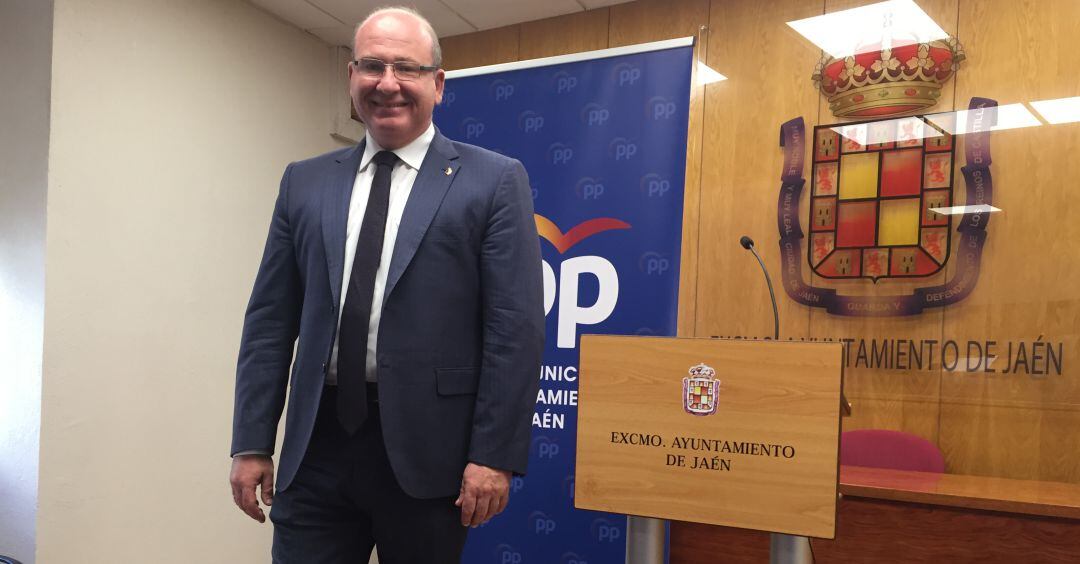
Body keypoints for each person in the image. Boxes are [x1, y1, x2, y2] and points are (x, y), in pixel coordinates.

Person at [227, 6, 544, 563]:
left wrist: (493, 455)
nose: (388, 84)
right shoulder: (304, 181)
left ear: (437, 84)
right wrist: (253, 440)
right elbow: (270, 321)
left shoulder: (494, 180)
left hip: (430, 453)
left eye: (407, 69)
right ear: (351, 77)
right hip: (315, 446)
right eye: (372, 66)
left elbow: (513, 331)